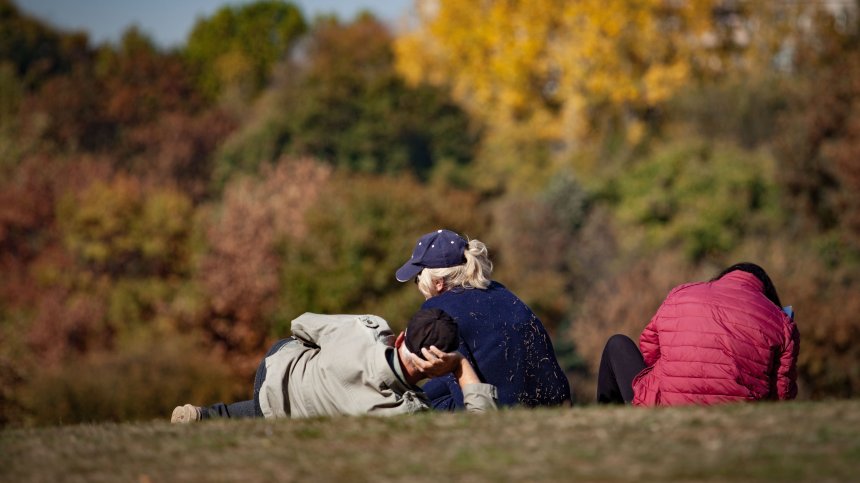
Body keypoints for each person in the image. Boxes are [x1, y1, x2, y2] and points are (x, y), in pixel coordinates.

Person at [171, 308, 497, 422]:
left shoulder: (366, 328)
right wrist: (460, 366)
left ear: (400, 338)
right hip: (285, 412)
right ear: (437, 366)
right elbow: (481, 426)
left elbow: (301, 324)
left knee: (281, 399)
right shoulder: (407, 413)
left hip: (276, 369)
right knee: (291, 409)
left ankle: (201, 416)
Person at [395, 229, 571, 410]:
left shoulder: (437, 310)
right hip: (555, 404)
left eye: (417, 279)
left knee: (414, 406)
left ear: (438, 282)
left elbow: (462, 392)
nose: (417, 285)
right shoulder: (501, 292)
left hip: (502, 410)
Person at [595, 262, 800, 406]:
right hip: (739, 415)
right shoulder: (782, 322)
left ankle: (607, 426)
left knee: (617, 344)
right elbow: (782, 395)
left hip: (666, 407)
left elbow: (650, 349)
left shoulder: (682, 294)